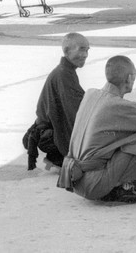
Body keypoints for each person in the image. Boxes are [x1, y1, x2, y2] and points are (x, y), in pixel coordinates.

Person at [58, 55, 136, 204]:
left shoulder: (90, 93)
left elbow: (109, 112)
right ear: (129, 78)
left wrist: (133, 109)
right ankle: (121, 186)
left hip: (74, 179)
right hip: (94, 185)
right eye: (134, 76)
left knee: (125, 135)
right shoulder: (118, 106)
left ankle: (126, 180)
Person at [23, 32, 89, 171]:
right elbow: (74, 114)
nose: (85, 54)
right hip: (48, 137)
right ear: (66, 51)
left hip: (46, 133)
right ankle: (59, 158)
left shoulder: (66, 71)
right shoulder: (63, 74)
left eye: (87, 50)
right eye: (81, 49)